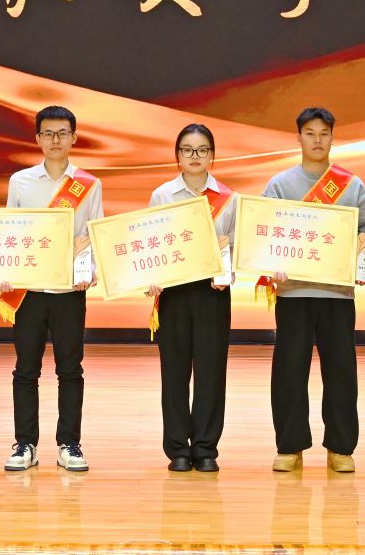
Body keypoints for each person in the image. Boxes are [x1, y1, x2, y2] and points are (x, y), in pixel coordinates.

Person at [260, 106, 365, 474]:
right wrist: (271, 264)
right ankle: (289, 447)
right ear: (298, 137)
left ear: (332, 138)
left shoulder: (351, 186)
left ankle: (340, 448)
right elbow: (264, 233)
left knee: (341, 372)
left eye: (324, 134)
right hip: (293, 293)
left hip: (336, 294)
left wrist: (362, 262)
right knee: (289, 372)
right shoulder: (280, 185)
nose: (317, 140)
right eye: (310, 133)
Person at [2, 105, 102, 473]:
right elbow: (8, 233)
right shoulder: (20, 182)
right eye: (48, 133)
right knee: (25, 370)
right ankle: (25, 444)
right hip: (28, 291)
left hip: (69, 292)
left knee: (70, 370)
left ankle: (69, 444)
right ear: (38, 138)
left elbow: (94, 234)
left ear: (74, 138)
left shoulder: (89, 185)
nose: (55, 140)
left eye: (62, 133)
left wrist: (90, 271)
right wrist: (4, 270)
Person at [145, 123, 237, 473]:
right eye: (187, 150)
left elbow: (236, 246)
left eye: (202, 150)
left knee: (211, 372)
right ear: (178, 156)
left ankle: (205, 447)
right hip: (174, 293)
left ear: (212, 156)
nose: (194, 156)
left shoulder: (229, 198)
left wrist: (228, 273)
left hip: (213, 293)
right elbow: (151, 243)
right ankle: (177, 449)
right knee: (175, 372)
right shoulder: (163, 195)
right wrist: (151, 277)